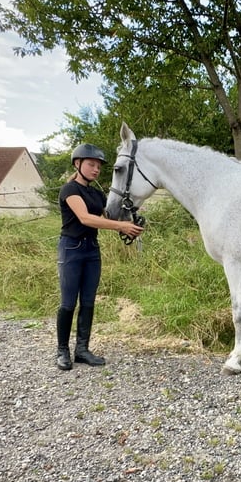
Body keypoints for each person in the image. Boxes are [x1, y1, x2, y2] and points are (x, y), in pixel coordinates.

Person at [55, 143, 144, 370]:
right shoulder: (69, 190)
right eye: (91, 164)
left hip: (91, 250)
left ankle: (82, 350)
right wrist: (119, 226)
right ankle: (62, 351)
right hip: (71, 249)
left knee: (88, 301)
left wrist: (131, 224)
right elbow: (85, 218)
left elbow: (107, 215)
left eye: (98, 166)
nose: (96, 169)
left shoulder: (95, 193)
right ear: (78, 164)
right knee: (67, 303)